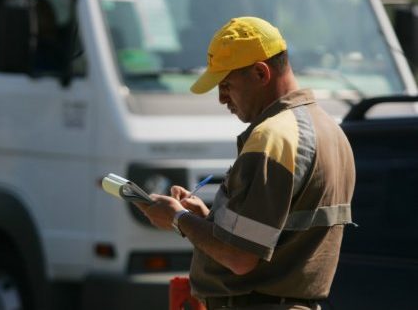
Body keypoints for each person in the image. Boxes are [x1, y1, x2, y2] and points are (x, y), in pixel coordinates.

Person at [137, 17, 356, 310]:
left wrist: (178, 219)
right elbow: (272, 233)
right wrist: (208, 220)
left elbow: (240, 258)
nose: (221, 98)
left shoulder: (272, 137)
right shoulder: (329, 130)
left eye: (226, 84)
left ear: (260, 72)